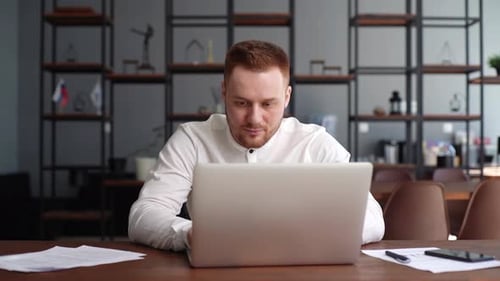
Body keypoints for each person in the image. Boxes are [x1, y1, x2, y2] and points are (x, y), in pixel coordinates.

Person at [128, 40, 385, 251]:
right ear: (224, 92)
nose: (254, 118)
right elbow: (144, 215)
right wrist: (189, 233)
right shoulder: (192, 140)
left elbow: (373, 219)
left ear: (286, 97)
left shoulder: (315, 143)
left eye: (267, 104)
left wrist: (307, 233)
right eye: (241, 103)